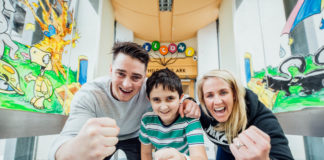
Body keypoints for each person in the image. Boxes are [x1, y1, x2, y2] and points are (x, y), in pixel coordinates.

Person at [49, 42, 200, 160]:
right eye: (121, 74)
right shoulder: (89, 95)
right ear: (110, 70)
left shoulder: (149, 89)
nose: (127, 84)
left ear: (144, 77)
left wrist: (188, 101)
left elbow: (172, 94)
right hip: (103, 138)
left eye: (136, 77)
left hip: (135, 137)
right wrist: (72, 152)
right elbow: (67, 137)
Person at [197, 69, 293, 160]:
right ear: (203, 100)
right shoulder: (201, 112)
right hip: (225, 149)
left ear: (234, 94)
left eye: (223, 93)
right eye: (209, 95)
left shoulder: (262, 120)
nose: (217, 101)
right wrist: (187, 101)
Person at [139, 68, 207, 160]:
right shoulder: (146, 121)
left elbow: (201, 157)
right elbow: (146, 154)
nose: (164, 107)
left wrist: (181, 158)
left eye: (170, 98)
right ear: (149, 100)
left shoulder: (190, 120)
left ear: (180, 98)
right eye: (156, 99)